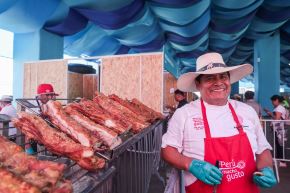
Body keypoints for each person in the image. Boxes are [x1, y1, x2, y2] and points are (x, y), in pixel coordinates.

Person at [162, 52, 276, 193]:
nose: (218, 82)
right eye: (210, 78)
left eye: (223, 77)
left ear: (229, 80)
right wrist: (190, 164)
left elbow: (262, 149)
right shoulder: (184, 114)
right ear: (198, 84)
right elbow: (168, 150)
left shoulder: (247, 111)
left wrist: (266, 169)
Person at [25, 83, 59, 154]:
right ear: (40, 95)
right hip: (36, 136)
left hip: (50, 134)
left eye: (51, 95)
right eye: (47, 95)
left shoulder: (50, 102)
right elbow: (28, 124)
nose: (50, 97)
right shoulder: (32, 105)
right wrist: (27, 145)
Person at [264, 95, 287, 167]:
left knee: (280, 145)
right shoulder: (279, 107)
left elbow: (277, 119)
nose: (272, 102)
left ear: (277, 100)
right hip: (280, 129)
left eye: (273, 101)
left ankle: (282, 161)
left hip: (279, 129)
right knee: (279, 144)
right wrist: (270, 114)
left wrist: (271, 115)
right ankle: (280, 160)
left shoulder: (279, 108)